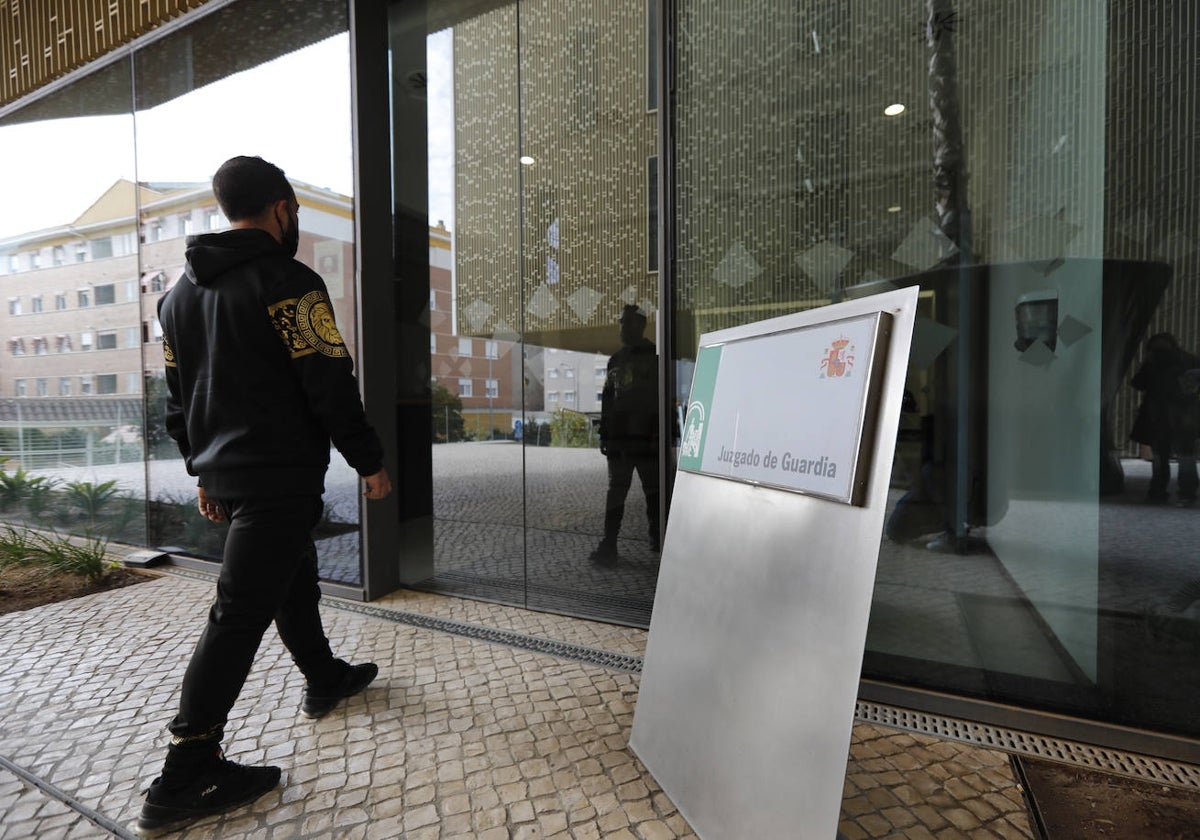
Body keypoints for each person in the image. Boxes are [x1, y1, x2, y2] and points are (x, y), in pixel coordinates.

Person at [137, 156, 393, 837]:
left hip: (232, 474)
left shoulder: (177, 299)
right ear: (282, 208)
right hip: (278, 474)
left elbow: (180, 399)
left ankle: (323, 675)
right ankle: (185, 769)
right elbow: (329, 381)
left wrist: (203, 472)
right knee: (239, 611)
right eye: (295, 213)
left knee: (289, 577)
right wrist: (369, 462)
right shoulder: (289, 282)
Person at [590, 304, 661, 567]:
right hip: (621, 440)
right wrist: (605, 436)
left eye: (627, 322)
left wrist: (659, 436)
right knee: (616, 493)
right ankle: (609, 543)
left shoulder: (655, 356)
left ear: (640, 325)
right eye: (621, 322)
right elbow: (608, 402)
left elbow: (660, 399)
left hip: (646, 438)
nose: (622, 327)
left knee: (653, 492)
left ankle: (658, 537)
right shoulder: (615, 360)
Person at [1130, 332, 1199, 506]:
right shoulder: (1188, 360)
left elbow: (1137, 383)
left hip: (1160, 416)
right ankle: (1187, 493)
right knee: (1185, 456)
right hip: (1183, 416)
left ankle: (1158, 492)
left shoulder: (1153, 362)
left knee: (1162, 456)